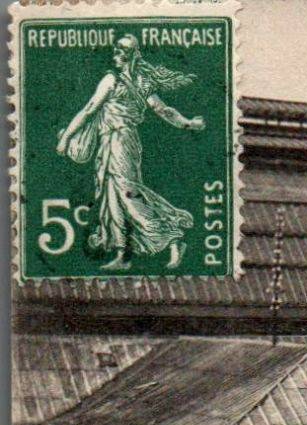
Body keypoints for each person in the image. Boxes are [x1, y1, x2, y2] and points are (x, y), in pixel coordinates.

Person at [56, 36, 206, 271]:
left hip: (121, 140)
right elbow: (162, 110)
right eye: (116, 48)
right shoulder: (127, 79)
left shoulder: (118, 80)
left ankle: (172, 237)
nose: (116, 52)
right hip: (113, 141)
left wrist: (65, 138)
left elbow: (89, 110)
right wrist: (189, 123)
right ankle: (122, 255)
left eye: (122, 49)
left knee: (127, 193)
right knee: (112, 196)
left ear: (133, 53)